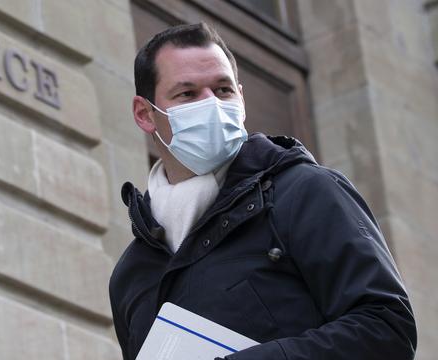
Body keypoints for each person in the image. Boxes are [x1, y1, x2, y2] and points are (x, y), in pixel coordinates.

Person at [109, 22, 417, 360]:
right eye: (188, 94)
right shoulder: (131, 273)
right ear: (145, 114)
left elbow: (387, 328)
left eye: (223, 90)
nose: (211, 104)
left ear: (241, 98)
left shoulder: (305, 192)